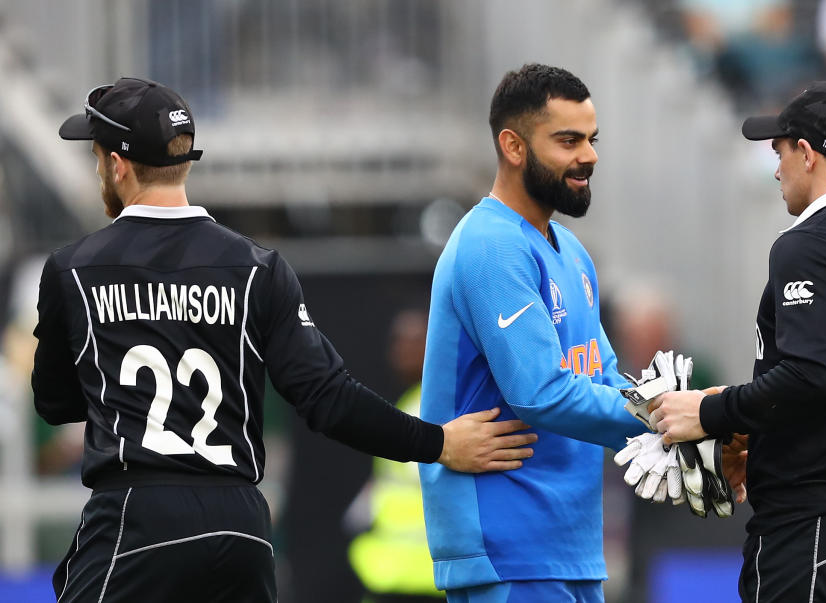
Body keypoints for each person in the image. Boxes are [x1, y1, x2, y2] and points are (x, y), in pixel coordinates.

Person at [33, 77, 537, 603]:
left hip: (136, 515)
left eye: (96, 159)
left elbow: (54, 402)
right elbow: (329, 398)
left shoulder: (74, 267)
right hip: (240, 524)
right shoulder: (258, 268)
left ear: (116, 165)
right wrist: (438, 443)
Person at [651, 81, 826, 602]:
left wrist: (713, 413)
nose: (777, 167)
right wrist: (758, 440)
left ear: (806, 154)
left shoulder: (810, 242)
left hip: (818, 531)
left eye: (779, 151)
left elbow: (818, 373)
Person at [418, 63, 651, 603]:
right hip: (508, 546)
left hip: (570, 545)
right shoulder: (490, 245)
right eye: (568, 140)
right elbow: (541, 393)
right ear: (513, 146)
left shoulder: (571, 251)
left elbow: (605, 378)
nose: (589, 156)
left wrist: (686, 429)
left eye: (592, 140)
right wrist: (677, 418)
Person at [349, 309, 444, 602]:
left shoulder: (431, 406)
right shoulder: (409, 402)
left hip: (424, 581)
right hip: (394, 576)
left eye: (416, 340)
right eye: (398, 340)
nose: (403, 348)